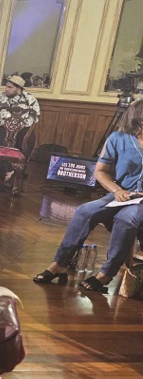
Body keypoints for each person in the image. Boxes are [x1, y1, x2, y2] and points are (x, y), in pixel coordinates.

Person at [34, 99, 143, 293]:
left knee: (126, 219)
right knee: (85, 211)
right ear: (137, 119)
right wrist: (116, 191)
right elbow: (101, 171)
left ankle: (106, 274)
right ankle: (61, 263)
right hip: (121, 193)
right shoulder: (118, 138)